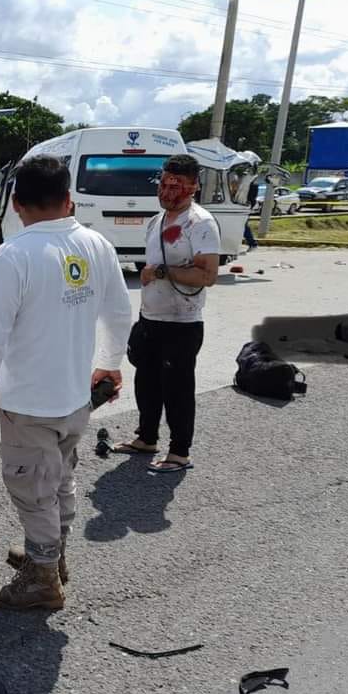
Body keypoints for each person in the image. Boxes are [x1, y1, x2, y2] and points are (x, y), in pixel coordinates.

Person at [0, 156, 132, 611]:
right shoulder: (97, 244)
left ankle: (42, 579)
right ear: (69, 199)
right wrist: (109, 364)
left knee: (33, 487)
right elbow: (120, 315)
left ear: (16, 204)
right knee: (57, 478)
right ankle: (51, 556)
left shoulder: (14, 255)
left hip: (29, 404)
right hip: (76, 398)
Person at [113, 154, 219, 473]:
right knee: (146, 383)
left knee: (177, 388)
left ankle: (179, 452)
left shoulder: (200, 223)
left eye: (177, 185)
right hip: (151, 318)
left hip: (182, 324)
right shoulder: (156, 221)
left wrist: (160, 272)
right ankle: (146, 438)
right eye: (164, 183)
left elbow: (208, 275)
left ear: (193, 187)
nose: (168, 191)